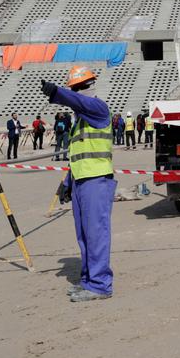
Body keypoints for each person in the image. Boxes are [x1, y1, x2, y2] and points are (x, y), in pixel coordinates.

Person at [40, 65, 116, 302]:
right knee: (84, 235)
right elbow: (78, 154)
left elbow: (79, 103)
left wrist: (58, 93)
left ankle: (101, 284)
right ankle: (88, 281)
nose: (81, 92)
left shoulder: (98, 108)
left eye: (81, 87)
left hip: (96, 179)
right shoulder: (79, 121)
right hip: (81, 181)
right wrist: (67, 183)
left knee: (96, 234)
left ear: (89, 86)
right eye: (77, 88)